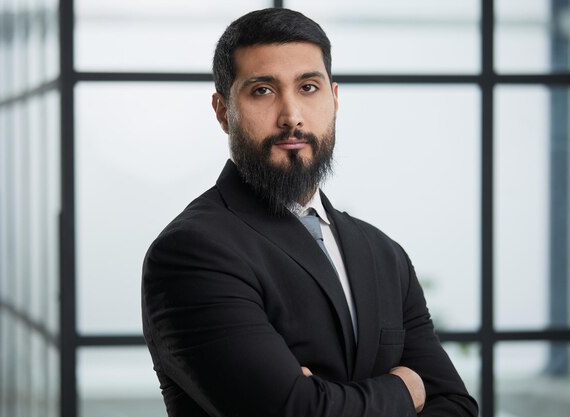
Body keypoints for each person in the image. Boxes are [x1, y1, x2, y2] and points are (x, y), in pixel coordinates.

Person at [142, 8, 478, 417]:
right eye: (262, 90)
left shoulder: (384, 255)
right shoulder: (191, 252)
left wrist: (325, 400)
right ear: (222, 111)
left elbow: (457, 406)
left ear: (334, 100)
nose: (291, 116)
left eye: (308, 87)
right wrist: (406, 390)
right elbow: (294, 412)